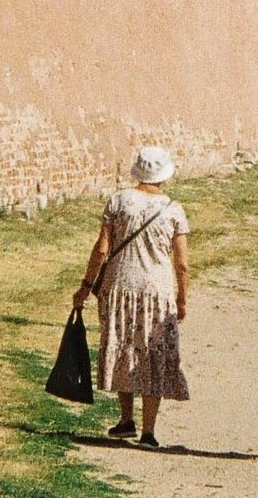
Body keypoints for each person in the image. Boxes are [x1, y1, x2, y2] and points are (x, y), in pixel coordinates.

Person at [72, 144, 190, 448]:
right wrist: (182, 299)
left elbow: (101, 250)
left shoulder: (118, 201)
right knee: (154, 354)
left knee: (125, 346)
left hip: (119, 286)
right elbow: (183, 263)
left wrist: (86, 286)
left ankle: (126, 420)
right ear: (164, 175)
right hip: (157, 290)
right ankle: (149, 430)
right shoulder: (173, 209)